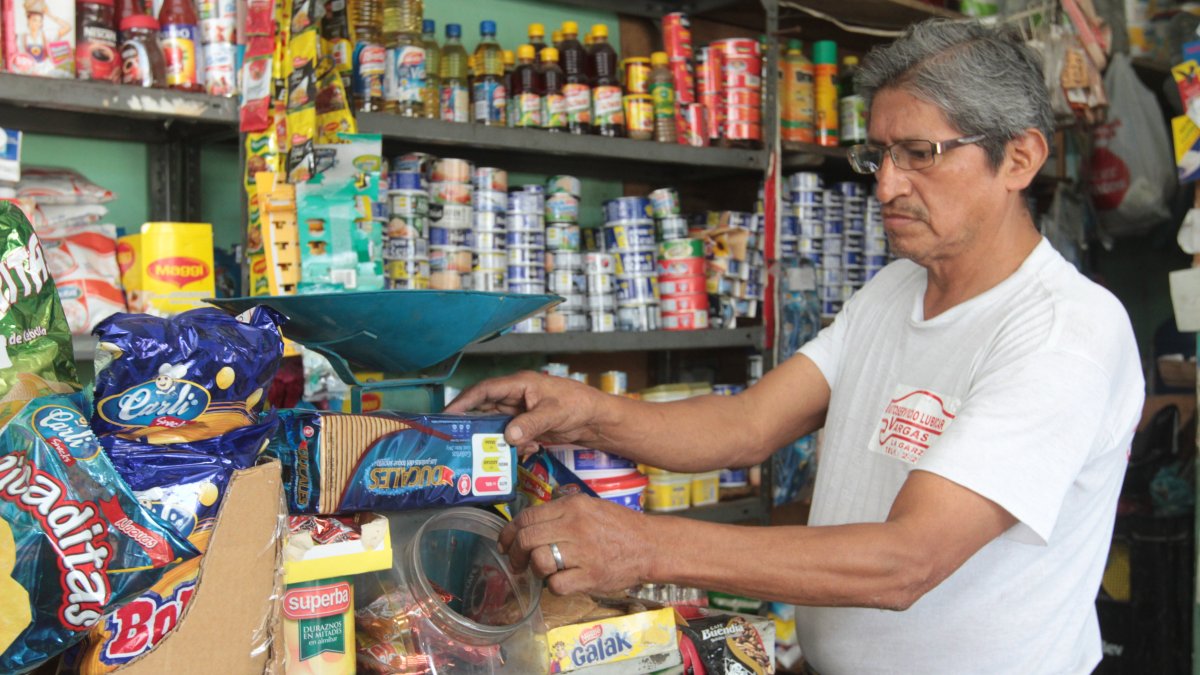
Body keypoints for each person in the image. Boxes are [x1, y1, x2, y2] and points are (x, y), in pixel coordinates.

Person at [447, 19, 1144, 674]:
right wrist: (585, 412)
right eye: (878, 154)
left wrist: (643, 546)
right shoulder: (894, 291)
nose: (887, 184)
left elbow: (907, 559)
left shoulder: (1064, 331)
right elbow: (748, 424)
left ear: (1018, 157)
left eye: (920, 154)